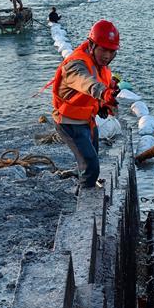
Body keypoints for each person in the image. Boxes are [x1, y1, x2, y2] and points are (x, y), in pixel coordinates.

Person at [49, 20, 120, 189]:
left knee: (92, 157)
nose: (107, 56)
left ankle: (86, 184)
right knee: (91, 165)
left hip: (87, 120)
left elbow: (93, 89)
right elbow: (85, 82)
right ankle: (86, 199)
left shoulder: (100, 64)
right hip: (70, 123)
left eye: (111, 51)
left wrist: (102, 105)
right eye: (103, 49)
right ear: (91, 44)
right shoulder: (76, 64)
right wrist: (103, 93)